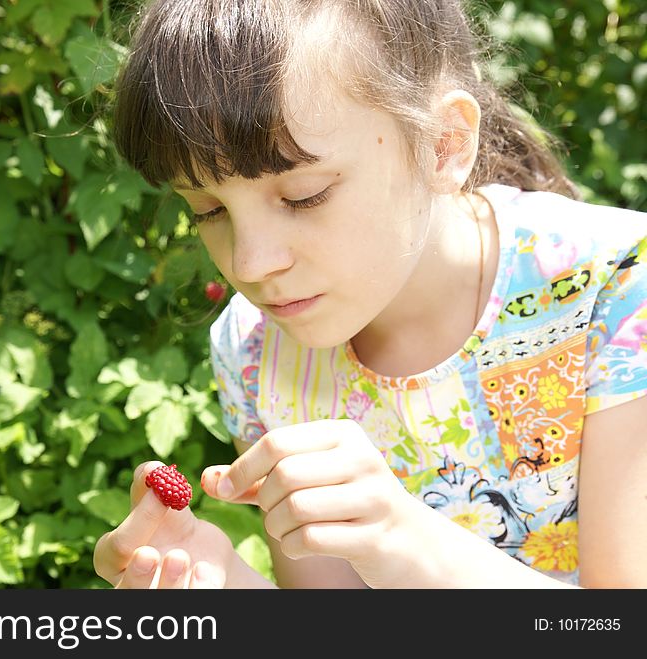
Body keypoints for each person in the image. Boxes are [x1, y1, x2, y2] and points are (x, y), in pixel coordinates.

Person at [93, 0, 647, 588]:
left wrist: (403, 541)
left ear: (444, 144)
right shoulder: (255, 349)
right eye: (207, 210)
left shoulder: (615, 287)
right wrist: (223, 584)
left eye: (303, 196)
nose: (250, 263)